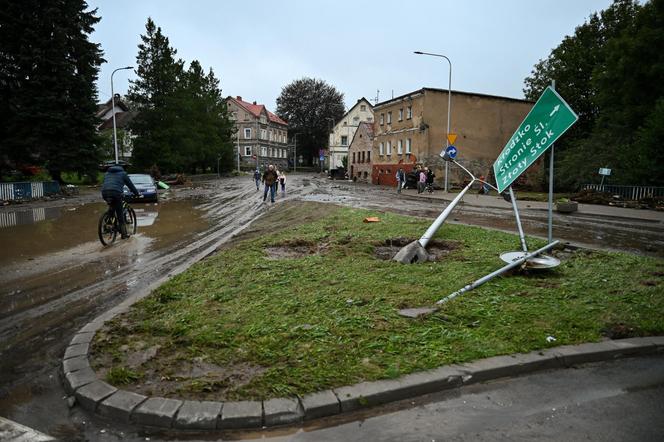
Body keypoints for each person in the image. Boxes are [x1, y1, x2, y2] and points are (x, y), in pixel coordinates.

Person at [101, 163, 139, 239]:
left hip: (104, 193)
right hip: (116, 193)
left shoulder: (107, 174)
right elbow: (130, 185)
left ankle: (108, 222)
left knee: (112, 206)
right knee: (120, 215)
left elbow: (106, 184)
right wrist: (136, 193)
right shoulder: (123, 174)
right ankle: (124, 235)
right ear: (121, 168)